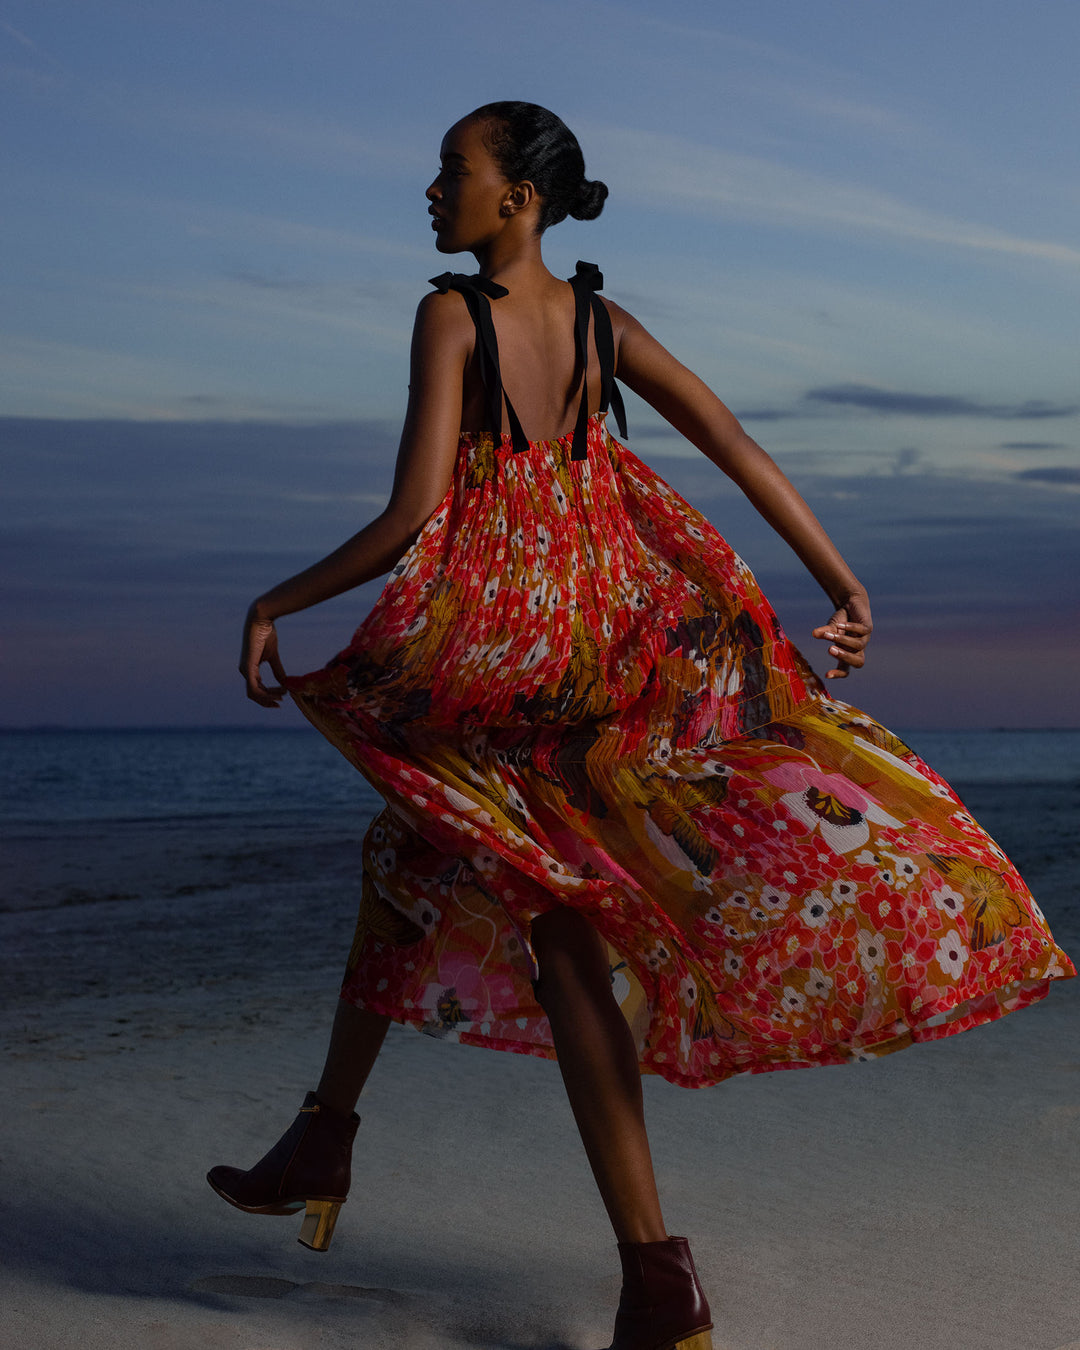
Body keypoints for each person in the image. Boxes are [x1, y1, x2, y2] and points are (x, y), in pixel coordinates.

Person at [207, 102, 1073, 1350]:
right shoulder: (605, 324)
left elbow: (411, 518)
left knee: (557, 944)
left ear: (517, 200)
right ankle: (322, 1139)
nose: (432, 190)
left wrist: (274, 600)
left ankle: (656, 1273)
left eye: (453, 171)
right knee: (408, 857)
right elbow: (730, 439)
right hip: (612, 652)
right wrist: (841, 581)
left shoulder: (452, 315)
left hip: (502, 663)